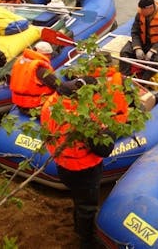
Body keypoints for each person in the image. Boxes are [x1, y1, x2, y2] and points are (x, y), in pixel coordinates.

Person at [41, 73, 128, 248]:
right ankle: (87, 240)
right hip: (83, 169)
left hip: (62, 164)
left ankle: (79, 225)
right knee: (87, 206)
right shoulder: (84, 118)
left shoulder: (51, 104)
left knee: (79, 199)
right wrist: (108, 131)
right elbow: (103, 149)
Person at [119, 0, 158, 80]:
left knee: (157, 61)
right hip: (144, 41)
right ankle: (125, 77)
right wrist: (137, 47)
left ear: (151, 8)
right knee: (124, 52)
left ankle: (143, 81)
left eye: (143, 10)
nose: (141, 12)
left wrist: (153, 50)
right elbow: (135, 32)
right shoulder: (140, 14)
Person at [9, 41, 63, 115]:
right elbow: (57, 85)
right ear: (48, 55)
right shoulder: (40, 69)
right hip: (35, 105)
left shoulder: (20, 61)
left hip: (19, 104)